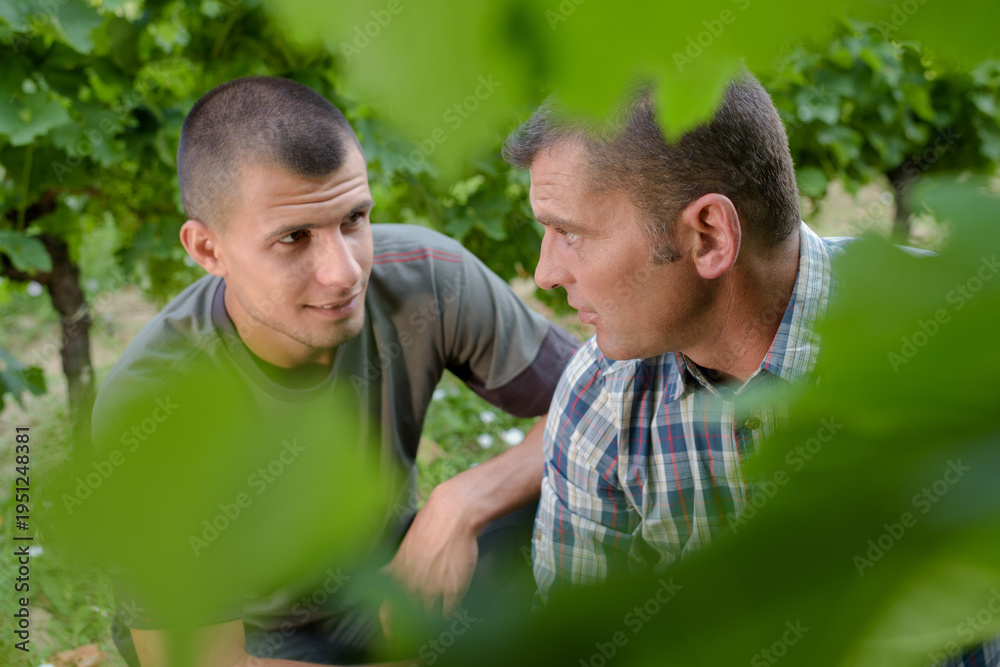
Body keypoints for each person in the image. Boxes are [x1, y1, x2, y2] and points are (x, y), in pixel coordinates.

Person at [503, 73, 998, 666]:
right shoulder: (599, 401)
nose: (545, 273)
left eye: (569, 233)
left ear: (709, 235)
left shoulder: (960, 343)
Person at [90, 76, 578, 666]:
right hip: (253, 638)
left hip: (394, 580)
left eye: (353, 219)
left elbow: (595, 400)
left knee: (573, 493)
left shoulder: (427, 277)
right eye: (294, 238)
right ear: (207, 250)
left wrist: (463, 501)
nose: (343, 272)